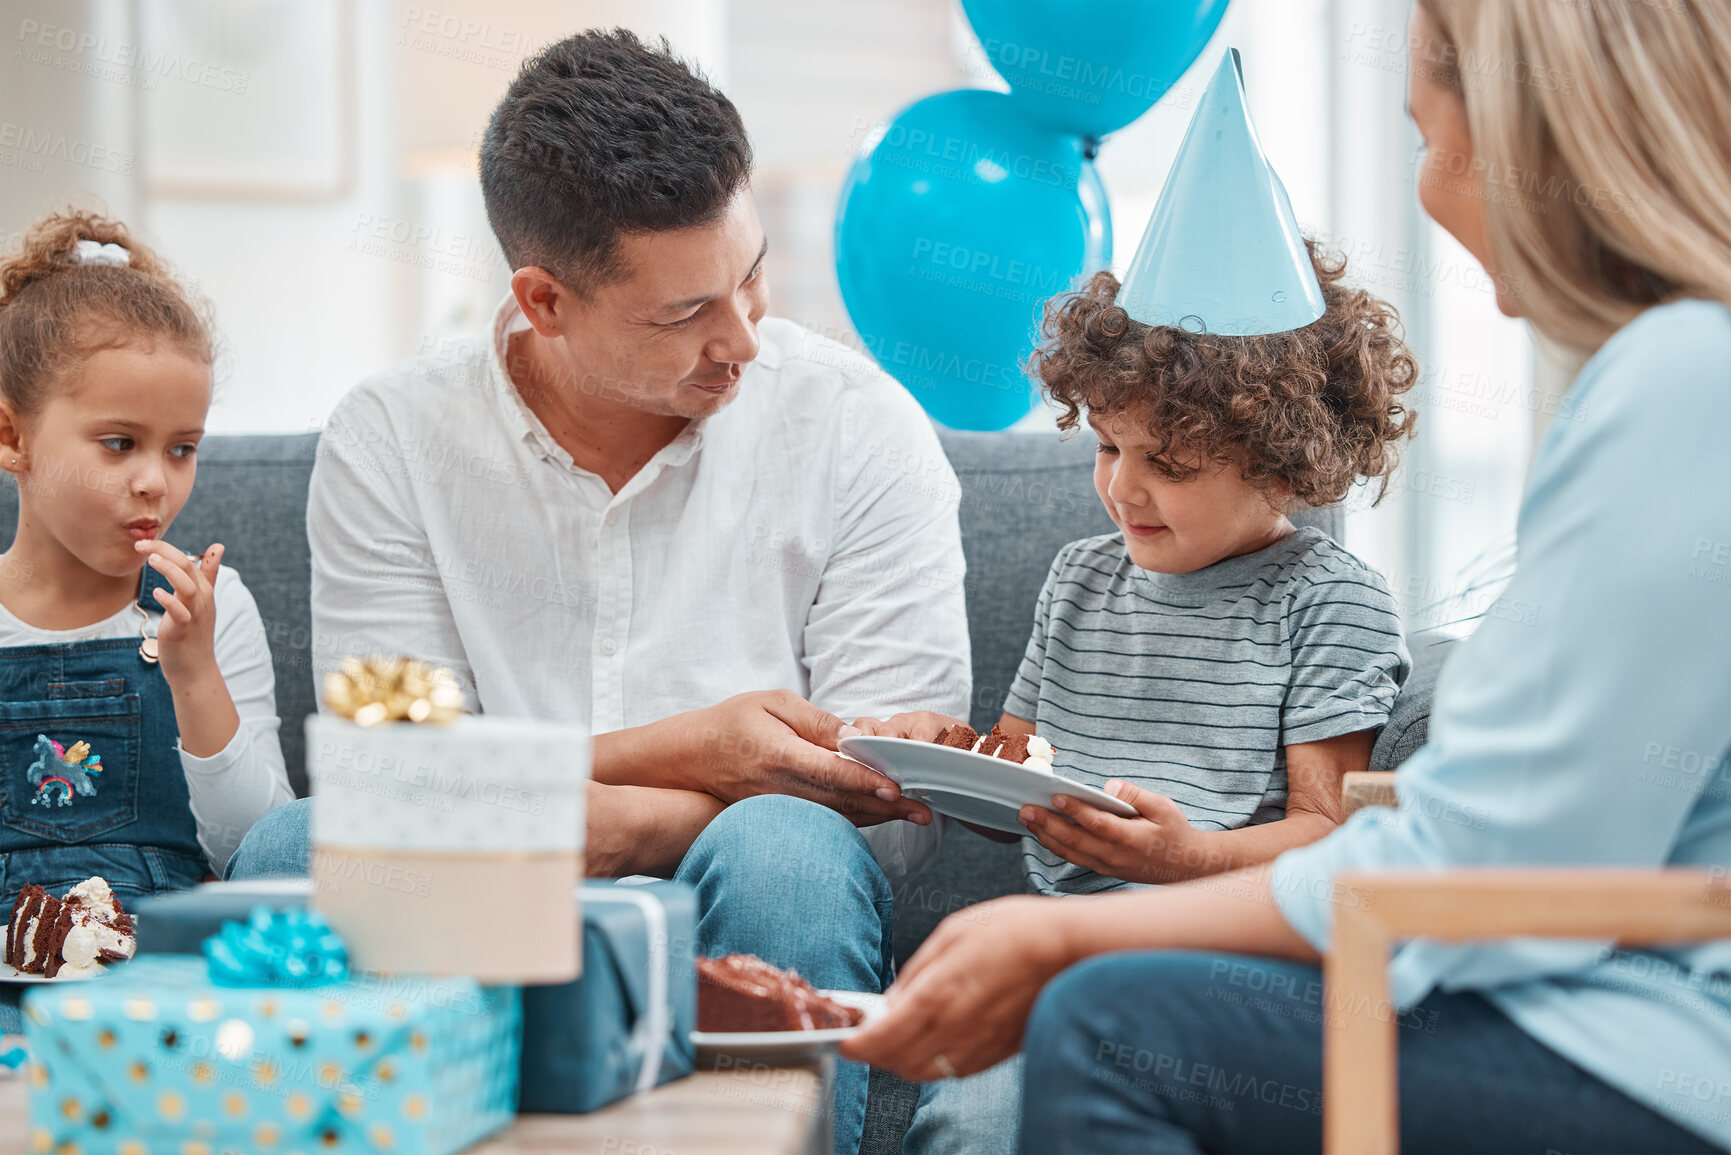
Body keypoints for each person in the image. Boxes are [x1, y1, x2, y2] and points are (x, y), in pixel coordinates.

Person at [844, 2, 1731, 1151]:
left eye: (1426, 137)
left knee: (1107, 1022)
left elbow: (1487, 879)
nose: (1424, 187)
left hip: (1666, 1046)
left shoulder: (1682, 379)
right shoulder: (1675, 370)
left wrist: (1078, 939)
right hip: (1603, 998)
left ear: (1529, 133)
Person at [222, 30, 970, 1154]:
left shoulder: (859, 427)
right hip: (480, 892)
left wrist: (622, 823)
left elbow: (891, 808)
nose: (743, 342)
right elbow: (398, 771)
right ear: (545, 300)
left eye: (751, 276)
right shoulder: (395, 437)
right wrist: (699, 747)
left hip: (754, 883)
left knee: (782, 847)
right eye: (683, 316)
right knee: (294, 849)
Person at [858, 50, 1418, 1152]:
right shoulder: (1080, 579)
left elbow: (1325, 835)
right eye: (1108, 445)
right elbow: (1019, 774)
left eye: (1172, 461)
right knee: (968, 1121)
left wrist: (1185, 862)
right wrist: (938, 757)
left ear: (1280, 458)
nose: (1122, 486)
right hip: (1059, 946)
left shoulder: (1329, 603)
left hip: (1220, 954)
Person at [0, 211, 293, 1028]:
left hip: (167, 964)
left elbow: (254, 848)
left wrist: (194, 670)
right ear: (10, 434)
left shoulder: (210, 606)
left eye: (181, 448)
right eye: (120, 443)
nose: (155, 483)